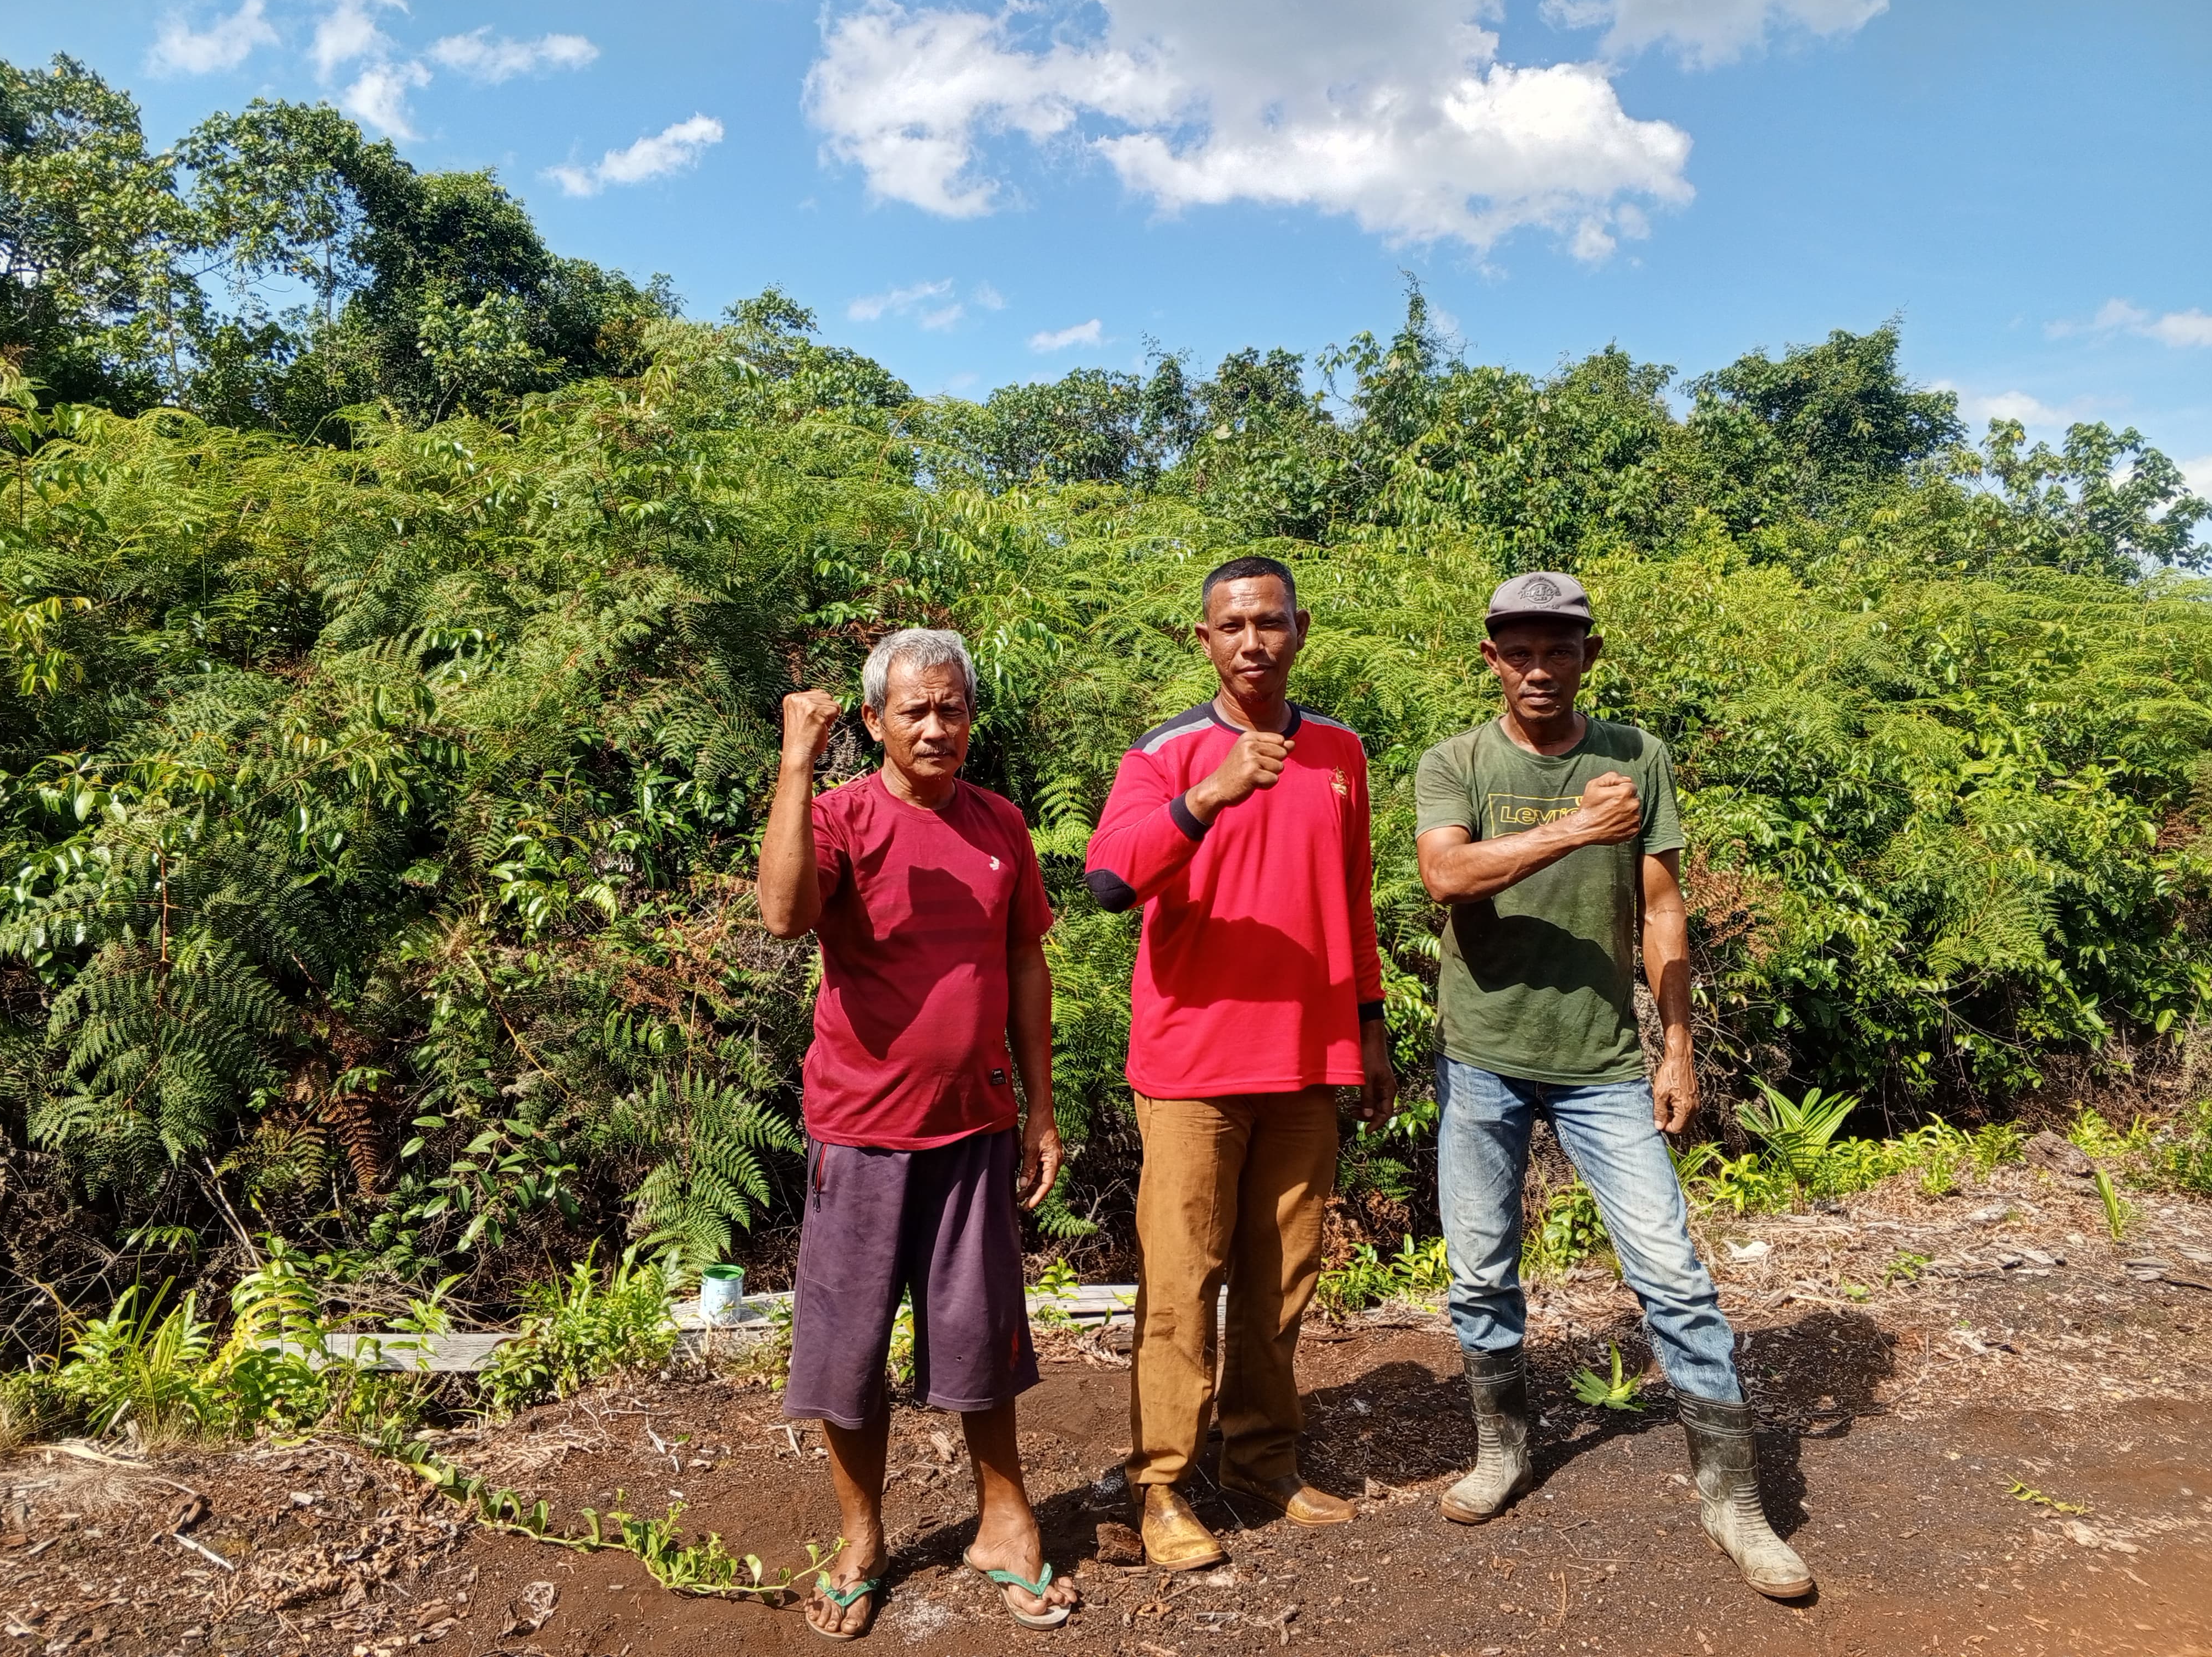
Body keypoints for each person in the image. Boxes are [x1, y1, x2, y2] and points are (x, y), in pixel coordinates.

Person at [1412, 572, 1813, 1599]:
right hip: (1484, 1054)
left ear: (1589, 656)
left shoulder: (1638, 756)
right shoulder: (1454, 761)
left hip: (1602, 1064)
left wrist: (1675, 1042)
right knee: (1480, 1268)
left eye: (1560, 649)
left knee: (1673, 1274)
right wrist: (1573, 831)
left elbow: (1664, 908)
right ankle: (1503, 1448)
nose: (1539, 668)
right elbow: (1447, 877)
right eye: (1520, 650)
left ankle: (1733, 1497)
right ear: (1492, 660)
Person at [756, 628, 1078, 1640]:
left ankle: (1005, 1521)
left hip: (975, 1125)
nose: (936, 727)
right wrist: (796, 767)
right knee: (848, 1354)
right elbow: (780, 914)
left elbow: (1027, 966)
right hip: (859, 1133)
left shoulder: (1001, 826)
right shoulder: (842, 819)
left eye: (952, 709)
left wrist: (1043, 1106)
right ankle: (862, 1536)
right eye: (915, 711)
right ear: (874, 723)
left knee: (985, 1335)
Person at [1085, 556, 1398, 1571]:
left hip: (1307, 1058)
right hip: (1191, 1066)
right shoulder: (1167, 752)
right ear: (1204, 640)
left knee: (1282, 1279)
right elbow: (1104, 881)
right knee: (1183, 1281)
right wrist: (1207, 797)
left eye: (1270, 622)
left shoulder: (1343, 751)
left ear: (1300, 629)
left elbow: (1352, 898)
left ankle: (1263, 1453)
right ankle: (1162, 1485)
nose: (1253, 641)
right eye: (1233, 625)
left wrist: (1372, 1031)